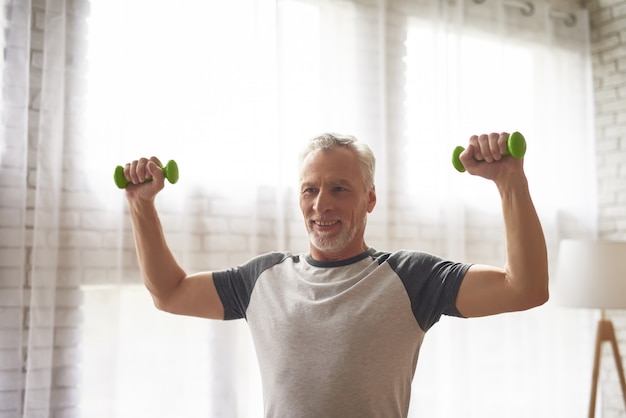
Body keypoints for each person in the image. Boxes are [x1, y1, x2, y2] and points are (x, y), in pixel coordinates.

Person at [122, 131, 549, 418]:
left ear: (370, 199)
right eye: (310, 189)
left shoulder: (411, 277)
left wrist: (510, 180)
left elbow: (524, 289)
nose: (321, 204)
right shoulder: (261, 280)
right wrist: (141, 205)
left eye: (340, 189)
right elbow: (169, 292)